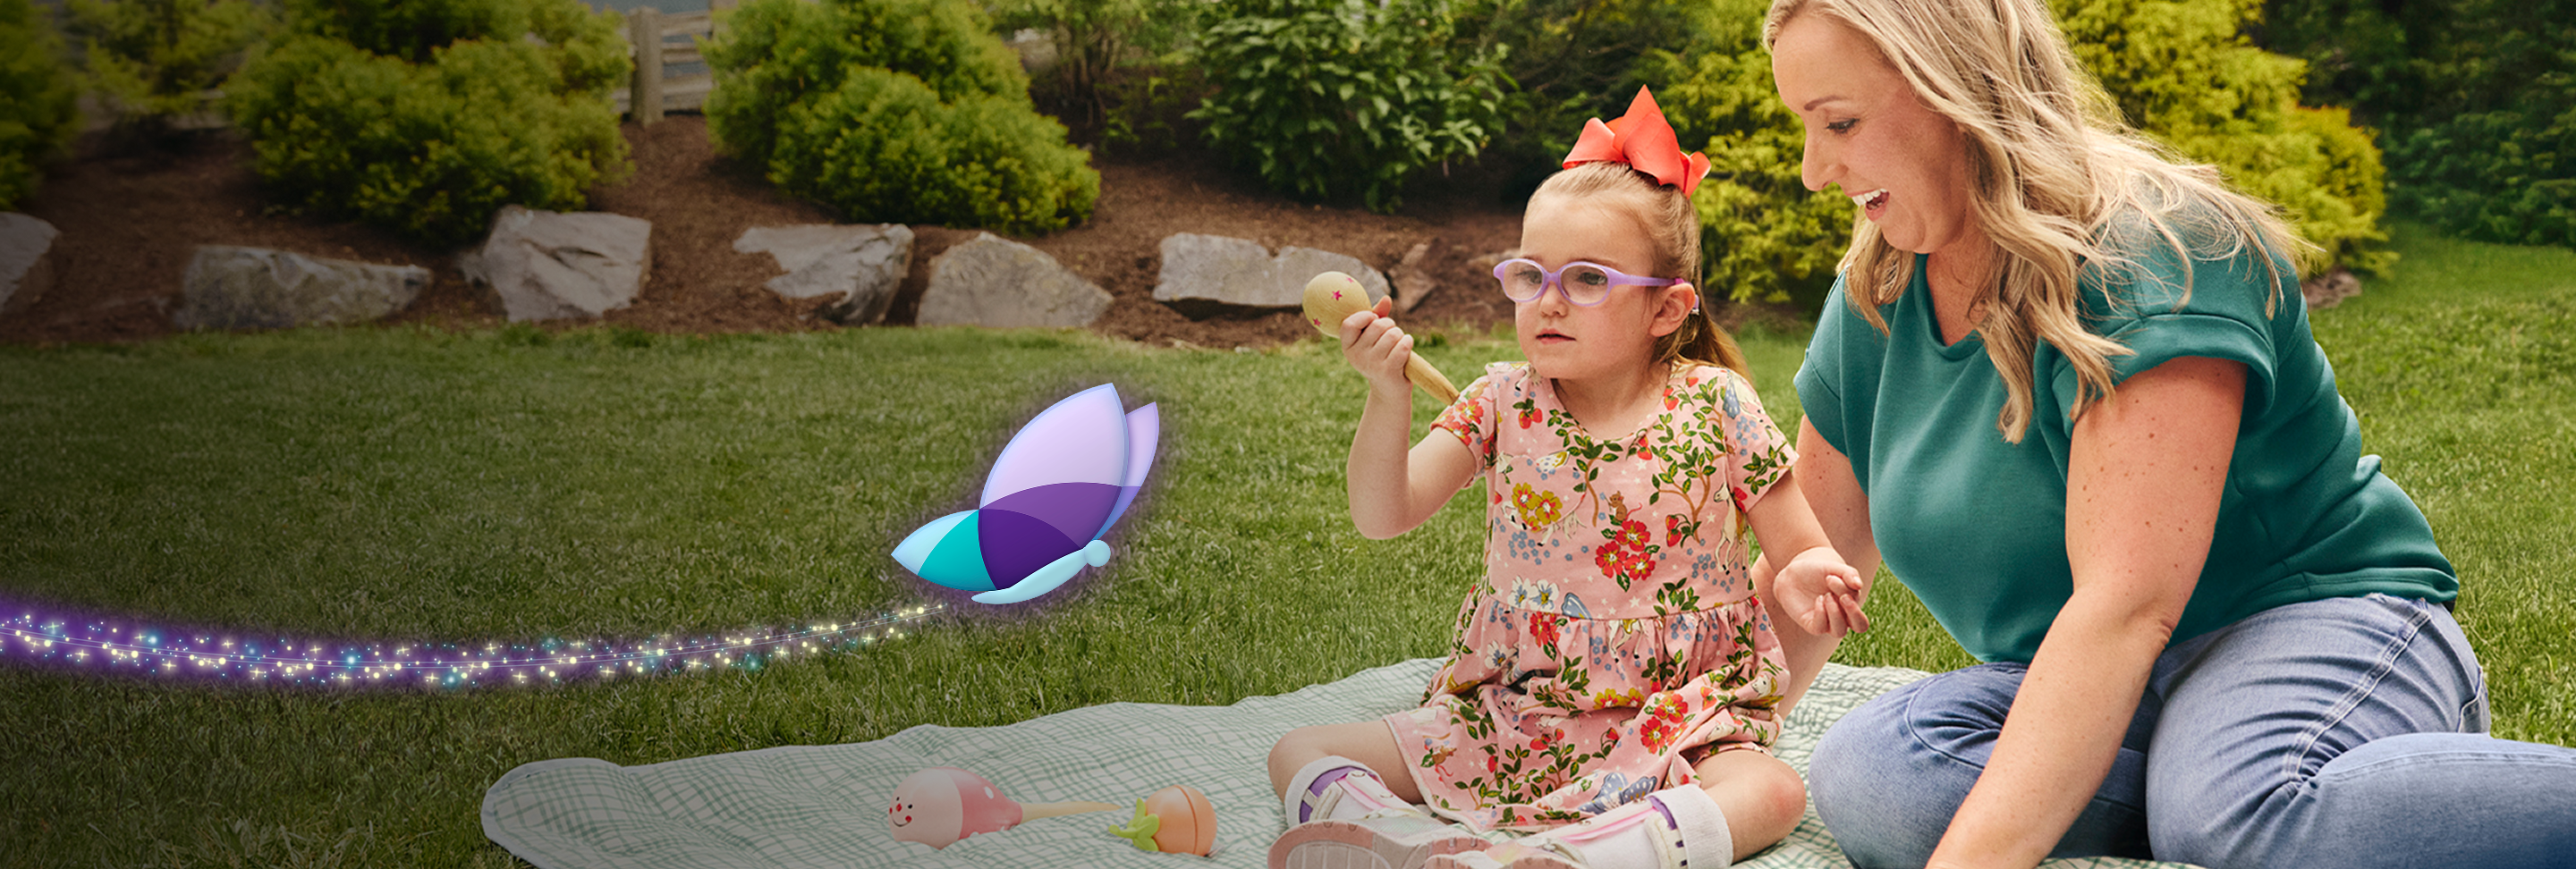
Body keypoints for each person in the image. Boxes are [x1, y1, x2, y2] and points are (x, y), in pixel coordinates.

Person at [1763, 0, 2576, 866]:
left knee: (2232, 812)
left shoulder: (2157, 255)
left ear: (1959, 87)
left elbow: (2125, 608)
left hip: (2312, 621)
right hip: (2121, 686)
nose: (1816, 172)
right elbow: (1809, 557)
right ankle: (2214, 788)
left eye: (1840, 123)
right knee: (1881, 775)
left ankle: (2251, 794)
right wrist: (1662, 754)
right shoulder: (1881, 288)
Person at [1264, 88, 1870, 869]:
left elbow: (1798, 546)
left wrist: (1811, 576)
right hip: (1519, 707)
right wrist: (1388, 398)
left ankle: (1589, 856)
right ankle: (1379, 841)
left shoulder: (1716, 404)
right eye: (1530, 276)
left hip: (1679, 715)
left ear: (1667, 309)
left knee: (1773, 793)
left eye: (1587, 280)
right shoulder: (1500, 402)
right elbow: (1386, 512)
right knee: (1301, 748)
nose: (1548, 302)